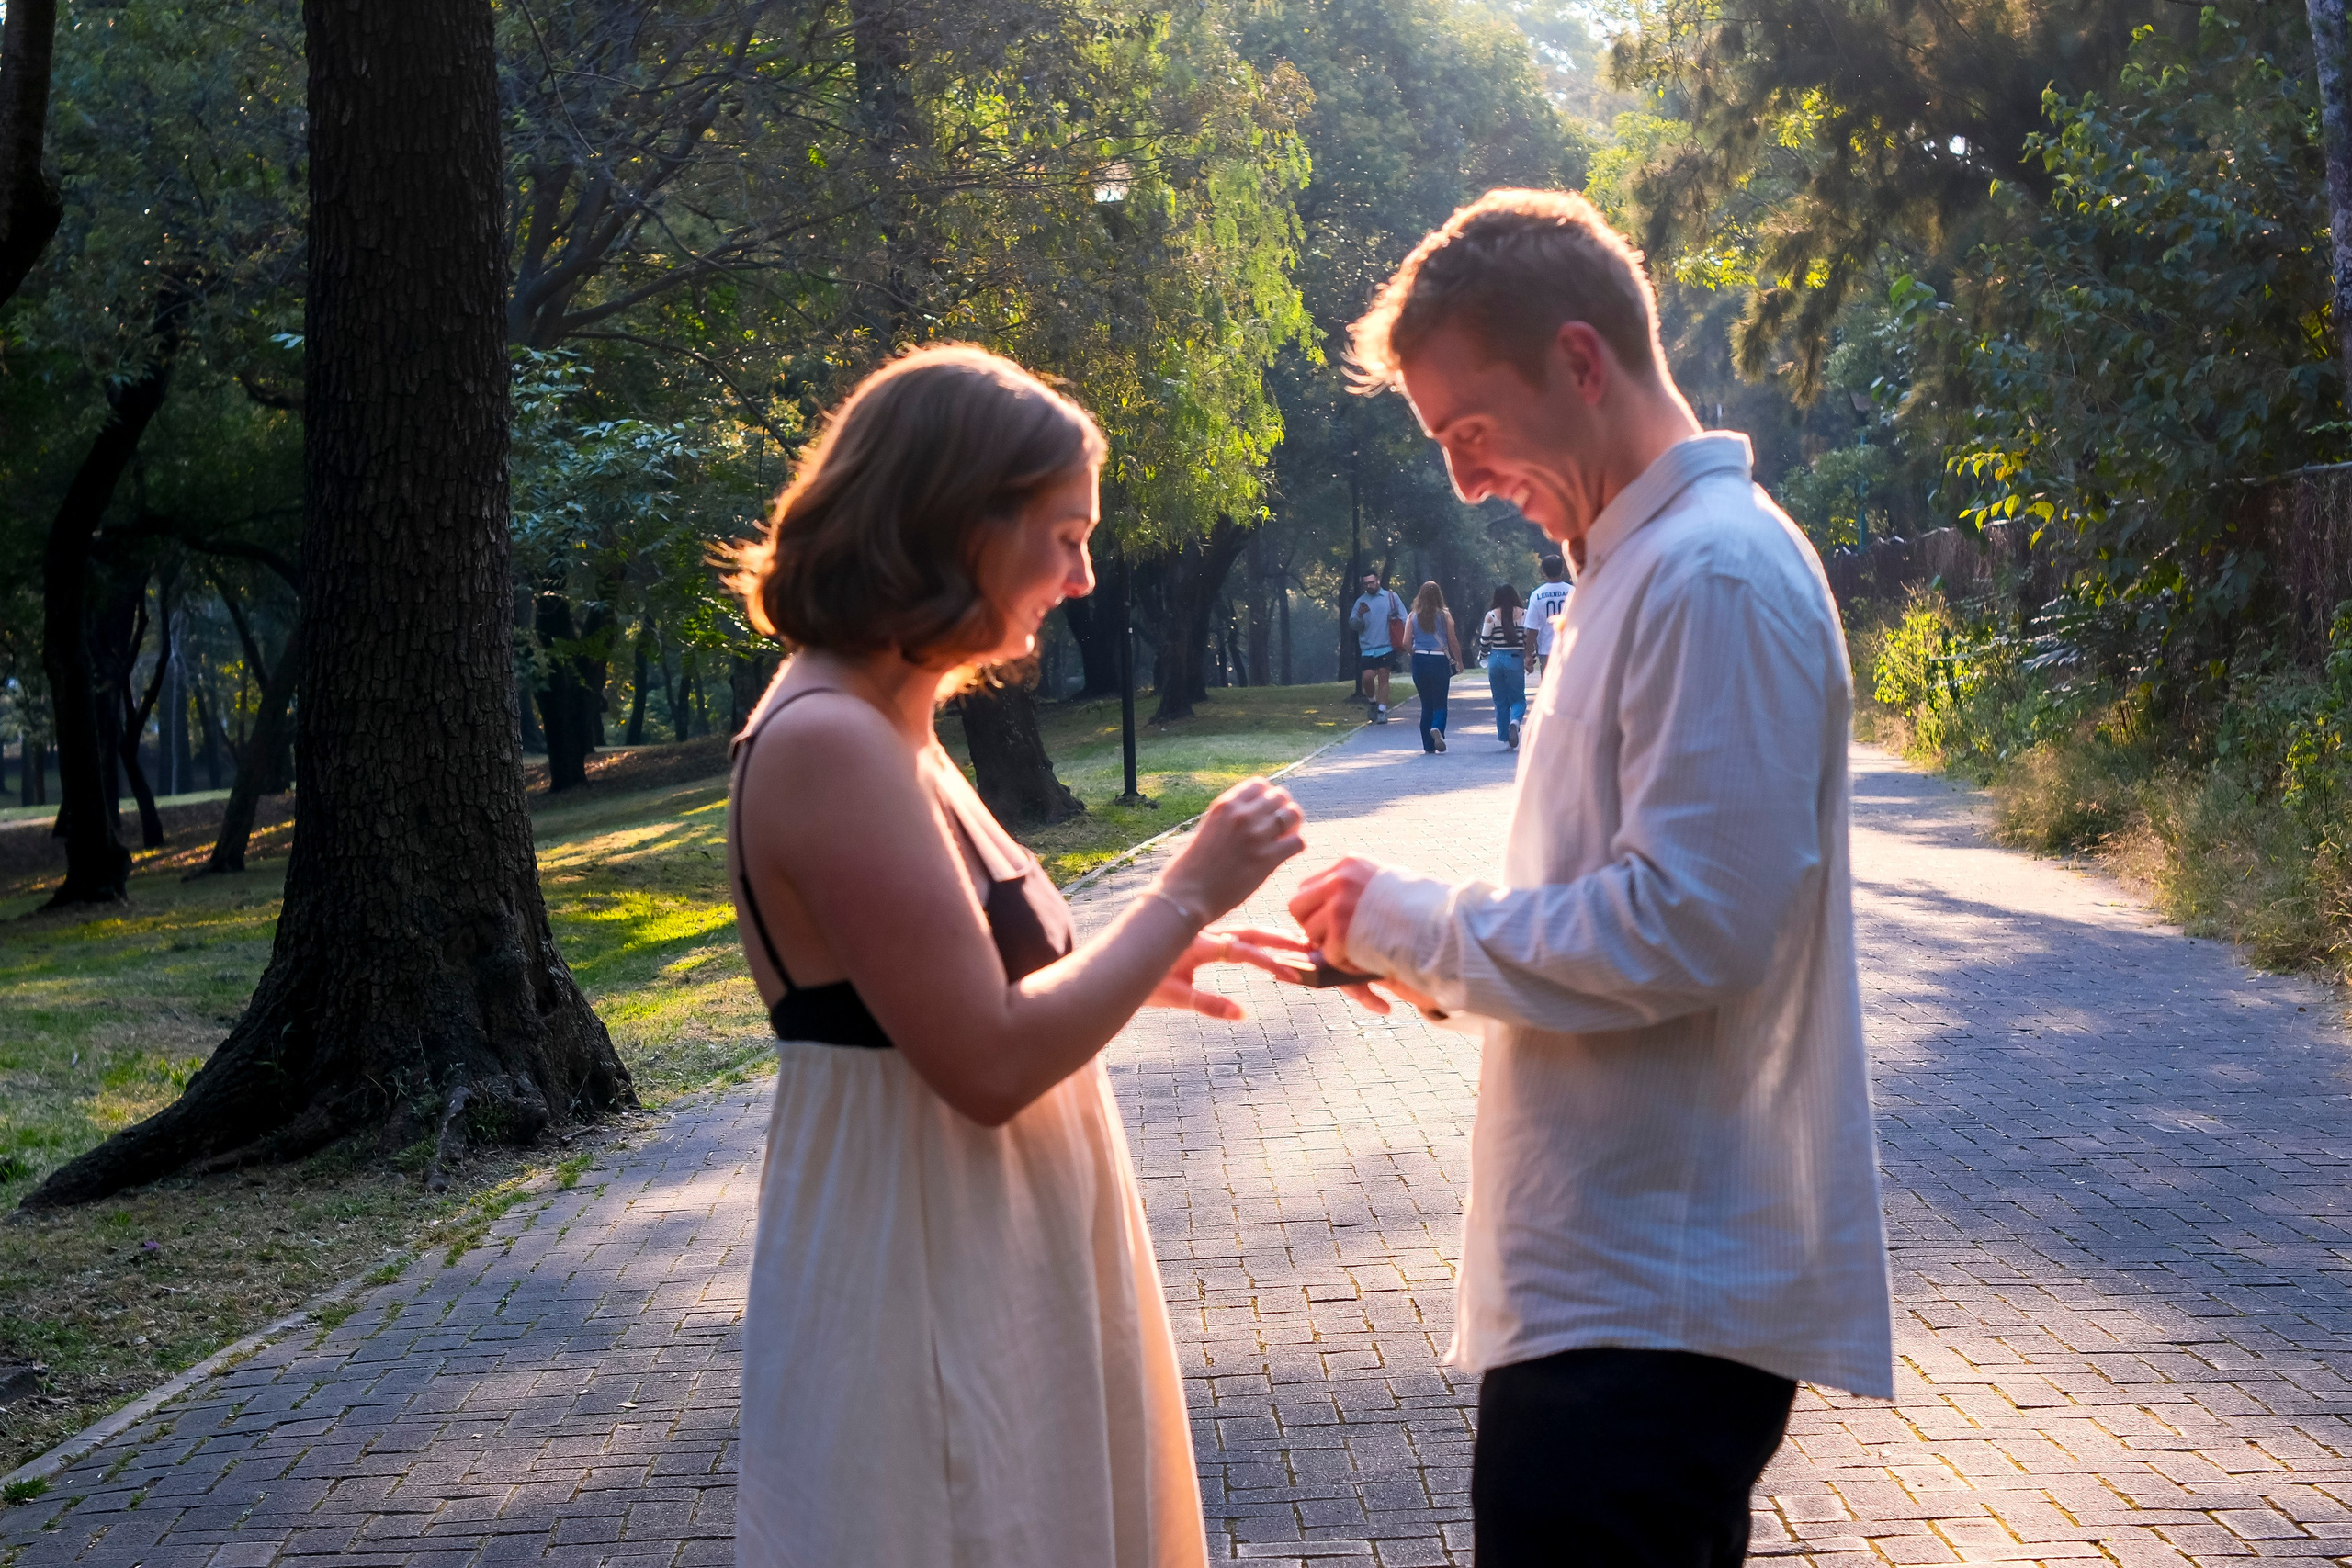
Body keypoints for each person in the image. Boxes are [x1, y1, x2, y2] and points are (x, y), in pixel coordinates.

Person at [1286, 189, 1892, 1565]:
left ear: (1579, 360)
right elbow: (1625, 897)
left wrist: (1415, 922)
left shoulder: (1710, 575)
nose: (1458, 476)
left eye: (1467, 430)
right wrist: (1403, 953)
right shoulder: (1634, 567)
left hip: (1652, 1299)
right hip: (1608, 1288)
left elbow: (1689, 925)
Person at [724, 344, 1314, 1568]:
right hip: (925, 1270)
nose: (1085, 576)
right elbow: (984, 1061)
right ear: (957, 524)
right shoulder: (832, 738)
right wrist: (1184, 889)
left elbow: (954, 993)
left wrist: (1124, 968)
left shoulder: (891, 720)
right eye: (1065, 535)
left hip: (976, 1249)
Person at [1475, 584, 1533, 749]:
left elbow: (1484, 642)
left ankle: (1506, 739)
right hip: (1515, 658)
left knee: (1500, 701)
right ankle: (1515, 721)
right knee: (1518, 699)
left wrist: (1483, 656)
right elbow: (1528, 640)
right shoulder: (1524, 614)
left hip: (1496, 659)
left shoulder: (1491, 616)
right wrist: (1531, 659)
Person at [1406, 580, 1462, 753]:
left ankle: (1428, 746)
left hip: (1420, 661)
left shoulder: (1413, 616)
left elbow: (1405, 641)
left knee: (1426, 704)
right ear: (1439, 596)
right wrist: (1459, 660)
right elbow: (1452, 640)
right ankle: (1437, 727)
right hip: (1439, 661)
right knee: (1440, 703)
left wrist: (1413, 652)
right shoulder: (1444, 616)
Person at [1348, 570, 1408, 722]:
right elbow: (1354, 625)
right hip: (1368, 648)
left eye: (1371, 582)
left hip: (1386, 645)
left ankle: (1382, 711)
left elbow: (1405, 618)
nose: (1369, 586)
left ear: (1378, 581)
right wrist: (1360, 614)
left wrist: (1407, 639)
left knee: (1383, 676)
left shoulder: (1391, 598)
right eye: (1366, 584)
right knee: (1367, 678)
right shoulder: (1361, 602)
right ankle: (1373, 702)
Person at [1525, 553, 1571, 679]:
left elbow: (1532, 628)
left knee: (1550, 688)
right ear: (1562, 569)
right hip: (1571, 647)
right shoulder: (1572, 592)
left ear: (1543, 571)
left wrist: (1528, 654)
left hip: (1547, 649)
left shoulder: (1537, 595)